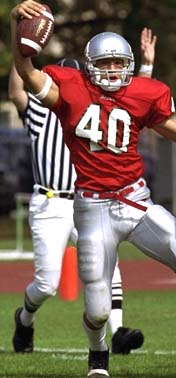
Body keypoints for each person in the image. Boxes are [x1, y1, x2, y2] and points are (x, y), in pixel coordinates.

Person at [10, 2, 176, 377]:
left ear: (129, 65)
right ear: (89, 66)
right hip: (93, 208)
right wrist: (14, 28)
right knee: (99, 309)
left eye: (119, 63)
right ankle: (98, 356)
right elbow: (26, 71)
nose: (113, 70)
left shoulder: (144, 93)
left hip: (136, 203)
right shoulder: (69, 89)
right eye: (105, 63)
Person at [8, 60, 144, 355]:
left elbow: (135, 103)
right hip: (51, 203)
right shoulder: (40, 113)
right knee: (46, 285)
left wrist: (146, 66)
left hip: (88, 200)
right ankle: (25, 319)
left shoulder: (91, 112)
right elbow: (16, 94)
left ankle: (119, 331)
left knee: (110, 266)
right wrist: (21, 47)